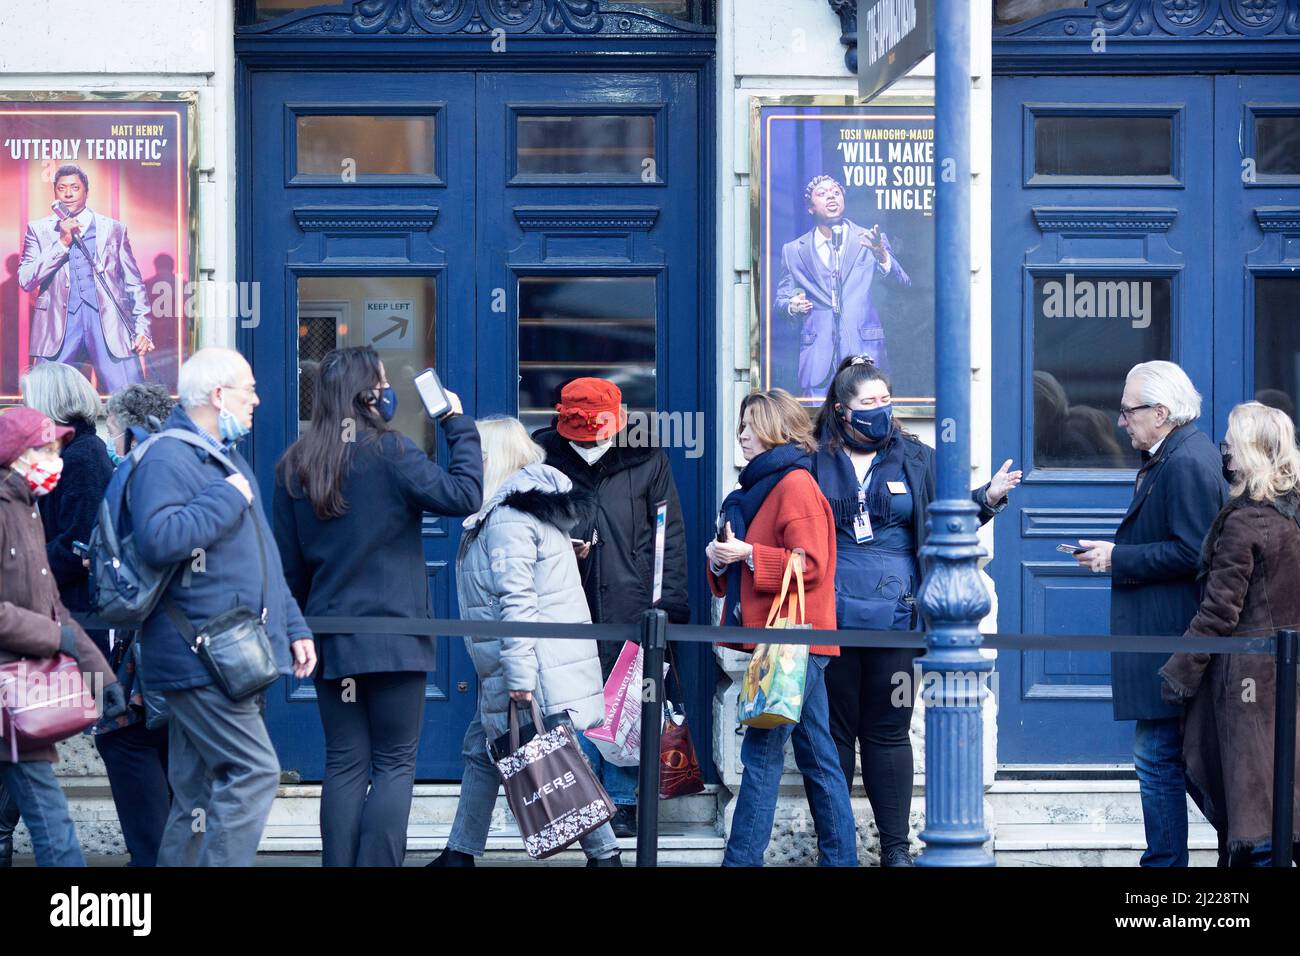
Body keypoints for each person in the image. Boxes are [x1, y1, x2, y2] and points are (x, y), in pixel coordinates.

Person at [274, 346, 482, 867]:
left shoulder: (295, 465)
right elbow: (464, 495)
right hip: (395, 637)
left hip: (331, 635)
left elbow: (288, 566)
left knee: (344, 764)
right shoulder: (391, 452)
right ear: (366, 394)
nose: (389, 391)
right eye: (384, 382)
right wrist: (456, 422)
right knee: (393, 764)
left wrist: (300, 631)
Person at [809, 356, 1019, 867]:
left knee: (887, 730)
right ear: (842, 410)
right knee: (832, 735)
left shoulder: (917, 457)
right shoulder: (810, 460)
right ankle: (836, 851)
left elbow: (944, 514)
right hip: (827, 613)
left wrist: (987, 499)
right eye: (869, 403)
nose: (881, 410)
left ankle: (896, 851)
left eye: (886, 400)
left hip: (897, 617)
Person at [129, 347, 316, 867]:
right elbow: (159, 538)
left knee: (194, 796)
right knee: (254, 773)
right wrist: (228, 497)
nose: (257, 399)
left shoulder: (221, 456)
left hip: (222, 655)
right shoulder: (170, 455)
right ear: (217, 395)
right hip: (202, 657)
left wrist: (294, 624)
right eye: (248, 388)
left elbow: (263, 557)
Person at [433, 416, 621, 867]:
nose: (465, 465)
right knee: (482, 750)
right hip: (530, 662)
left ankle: (606, 855)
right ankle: (460, 853)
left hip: (530, 668)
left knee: (558, 760)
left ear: (492, 460)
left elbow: (517, 605)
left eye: (473, 456)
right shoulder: (525, 510)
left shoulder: (507, 519)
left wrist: (519, 678)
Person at [1073, 360, 1227, 867]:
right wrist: (1115, 552)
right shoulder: (1175, 456)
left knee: (1161, 758)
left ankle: (1177, 864)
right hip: (1166, 639)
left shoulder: (1185, 462)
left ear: (1160, 413)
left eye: (1128, 411)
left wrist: (1118, 557)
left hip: (1172, 639)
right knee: (1171, 759)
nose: (1121, 422)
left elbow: (1192, 552)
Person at [532, 377, 690, 837]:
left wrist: (667, 603)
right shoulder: (541, 456)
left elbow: (667, 537)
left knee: (624, 704)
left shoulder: (648, 460)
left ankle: (620, 803)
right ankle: (578, 799)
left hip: (631, 599)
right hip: (563, 597)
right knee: (568, 698)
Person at [706, 388, 857, 867]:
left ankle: (741, 861)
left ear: (774, 429)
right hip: (789, 640)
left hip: (796, 639)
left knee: (761, 754)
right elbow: (744, 563)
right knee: (818, 759)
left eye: (751, 426)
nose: (742, 436)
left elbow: (811, 563)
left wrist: (748, 554)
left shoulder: (793, 483)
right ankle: (841, 860)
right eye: (741, 426)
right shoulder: (756, 488)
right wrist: (720, 557)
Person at [1160, 402, 1300, 867]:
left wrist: (1179, 674)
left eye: (1232, 445)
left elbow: (1220, 610)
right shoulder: (1292, 514)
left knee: (1254, 813)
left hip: (1251, 681)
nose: (1226, 454)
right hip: (1288, 668)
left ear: (1253, 452)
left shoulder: (1246, 521)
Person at [0, 407, 121, 866]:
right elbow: (52, 624)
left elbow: (56, 608)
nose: (56, 460)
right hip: (11, 692)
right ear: (16, 454)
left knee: (53, 825)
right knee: (54, 830)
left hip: (17, 700)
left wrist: (102, 678)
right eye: (46, 449)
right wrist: (53, 637)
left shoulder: (28, 510)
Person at [78, 382, 178, 868]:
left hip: (143, 661)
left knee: (123, 741)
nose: (110, 441)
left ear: (131, 430)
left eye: (114, 429)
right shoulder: (188, 471)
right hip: (177, 664)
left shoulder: (138, 481)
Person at [17, 164, 153, 392]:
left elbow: (133, 282)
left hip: (107, 321)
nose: (68, 194)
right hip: (58, 323)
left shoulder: (113, 229)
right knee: (46, 397)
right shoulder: (39, 230)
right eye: (62, 188)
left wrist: (143, 328)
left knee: (130, 396)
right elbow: (26, 279)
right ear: (55, 193)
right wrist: (61, 243)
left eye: (74, 188)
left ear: (86, 191)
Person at [773, 174, 911, 397]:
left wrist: (882, 256)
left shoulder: (871, 239)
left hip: (864, 353)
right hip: (817, 361)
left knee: (865, 421)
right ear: (810, 207)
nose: (831, 197)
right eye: (823, 193)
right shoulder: (794, 251)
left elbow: (903, 284)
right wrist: (792, 306)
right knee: (817, 429)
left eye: (836, 192)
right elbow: (780, 303)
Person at [105, 382, 175, 464]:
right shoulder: (169, 461)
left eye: (111, 433)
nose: (109, 442)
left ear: (134, 438)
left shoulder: (147, 473)